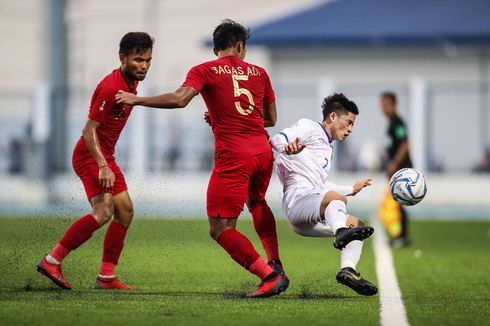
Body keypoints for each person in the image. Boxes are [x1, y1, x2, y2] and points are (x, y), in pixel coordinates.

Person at [116, 19, 288, 298]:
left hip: (234, 155)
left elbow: (180, 99)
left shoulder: (205, 69)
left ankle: (268, 277)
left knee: (220, 228)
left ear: (216, 48)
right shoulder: (259, 72)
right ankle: (276, 263)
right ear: (240, 46)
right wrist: (221, 115)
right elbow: (269, 119)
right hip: (261, 152)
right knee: (256, 202)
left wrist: (138, 100)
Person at [36, 32, 154, 290]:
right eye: (138, 60)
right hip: (90, 155)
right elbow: (88, 130)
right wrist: (102, 164)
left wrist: (106, 161)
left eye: (147, 60)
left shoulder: (131, 81)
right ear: (122, 58)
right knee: (104, 211)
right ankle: (52, 260)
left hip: (105, 156)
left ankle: (106, 277)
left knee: (125, 211)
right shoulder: (112, 87)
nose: (143, 65)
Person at [270, 93, 378, 296]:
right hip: (298, 201)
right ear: (333, 116)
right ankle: (340, 233)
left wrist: (351, 189)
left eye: (353, 125)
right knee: (338, 200)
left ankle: (348, 270)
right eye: (349, 123)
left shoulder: (327, 147)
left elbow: (320, 185)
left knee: (357, 223)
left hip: (308, 211)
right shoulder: (310, 127)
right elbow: (276, 139)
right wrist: (287, 147)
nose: (350, 129)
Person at [379, 91, 413, 248]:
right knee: (396, 202)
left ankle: (402, 236)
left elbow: (405, 144)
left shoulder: (398, 123)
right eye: (382, 104)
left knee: (399, 202)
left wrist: (395, 163)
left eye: (386, 104)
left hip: (401, 168)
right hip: (394, 168)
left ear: (394, 105)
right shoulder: (391, 123)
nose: (383, 107)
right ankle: (399, 235)